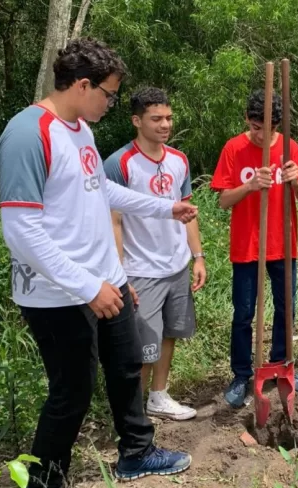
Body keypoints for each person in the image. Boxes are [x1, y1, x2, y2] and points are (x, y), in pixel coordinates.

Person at [0, 38, 196, 487]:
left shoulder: (81, 129)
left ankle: (137, 453)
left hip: (108, 280)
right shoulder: (29, 134)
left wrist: (164, 209)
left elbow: (98, 191)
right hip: (56, 293)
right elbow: (21, 231)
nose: (110, 102)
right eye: (108, 93)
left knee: (126, 367)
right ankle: (45, 477)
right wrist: (87, 287)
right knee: (72, 392)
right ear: (83, 85)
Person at [104, 87, 206, 422]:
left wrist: (197, 256)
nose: (165, 124)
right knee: (142, 344)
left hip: (176, 265)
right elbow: (113, 221)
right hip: (140, 269)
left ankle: (158, 397)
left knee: (169, 334)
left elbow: (188, 210)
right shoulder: (119, 164)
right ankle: (133, 412)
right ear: (136, 121)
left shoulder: (179, 160)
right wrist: (119, 273)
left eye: (169, 118)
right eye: (156, 118)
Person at [211, 89, 298, 408]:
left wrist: (295, 182)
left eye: (267, 129)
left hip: (282, 245)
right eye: (255, 127)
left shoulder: (289, 148)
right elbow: (223, 200)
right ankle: (242, 375)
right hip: (247, 245)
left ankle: (283, 366)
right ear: (247, 120)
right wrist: (251, 185)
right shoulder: (234, 148)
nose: (260, 135)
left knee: (287, 309)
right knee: (243, 313)